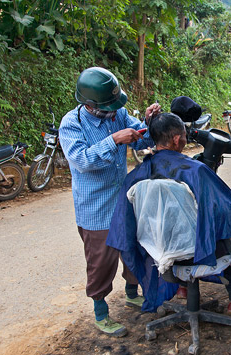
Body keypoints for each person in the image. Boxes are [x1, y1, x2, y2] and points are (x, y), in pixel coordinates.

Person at [107, 112, 231, 316]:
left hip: (156, 250)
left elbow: (124, 224)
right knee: (230, 233)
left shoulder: (137, 175)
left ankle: (182, 288)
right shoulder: (196, 170)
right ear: (177, 139)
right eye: (185, 137)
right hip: (197, 250)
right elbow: (227, 209)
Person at [59, 66, 161, 336]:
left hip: (124, 199)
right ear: (90, 105)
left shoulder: (121, 113)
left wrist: (148, 124)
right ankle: (101, 311)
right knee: (101, 260)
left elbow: (142, 140)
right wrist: (114, 140)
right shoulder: (72, 124)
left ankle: (132, 293)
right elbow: (81, 161)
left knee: (133, 248)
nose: (116, 113)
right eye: (110, 107)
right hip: (95, 207)